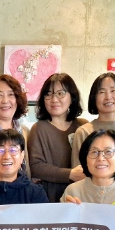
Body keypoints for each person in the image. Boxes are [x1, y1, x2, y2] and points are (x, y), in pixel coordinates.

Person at [28, 73, 89, 203]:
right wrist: (70, 174)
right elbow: (36, 167)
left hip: (81, 195)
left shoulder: (83, 126)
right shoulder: (38, 128)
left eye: (60, 93)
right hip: (50, 197)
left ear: (72, 97)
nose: (54, 99)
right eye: (48, 94)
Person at [71, 73, 115, 169]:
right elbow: (78, 172)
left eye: (113, 90)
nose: (108, 97)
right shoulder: (83, 132)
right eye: (102, 92)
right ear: (93, 97)